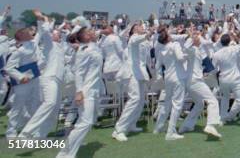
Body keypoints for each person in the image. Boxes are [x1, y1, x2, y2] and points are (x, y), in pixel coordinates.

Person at [56, 27, 103, 158]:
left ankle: (70, 148)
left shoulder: (94, 47)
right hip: (86, 91)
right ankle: (64, 154)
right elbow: (79, 73)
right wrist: (79, 92)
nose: (94, 32)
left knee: (87, 122)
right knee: (85, 122)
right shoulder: (83, 51)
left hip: (94, 90)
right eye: (90, 32)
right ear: (86, 37)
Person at [20, 11, 65, 138]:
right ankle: (26, 133)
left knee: (54, 111)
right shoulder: (49, 44)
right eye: (56, 33)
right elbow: (44, 32)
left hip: (58, 80)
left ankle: (40, 136)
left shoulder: (61, 46)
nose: (59, 35)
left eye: (59, 34)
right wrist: (42, 19)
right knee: (49, 103)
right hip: (49, 78)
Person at [112, 22, 151, 142]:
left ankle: (132, 124)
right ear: (133, 30)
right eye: (138, 26)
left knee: (140, 100)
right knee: (134, 99)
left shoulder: (144, 41)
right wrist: (147, 34)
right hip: (132, 72)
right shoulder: (134, 38)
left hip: (140, 73)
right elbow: (137, 40)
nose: (141, 26)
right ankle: (119, 129)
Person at [4, 27, 41, 138]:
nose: (31, 33)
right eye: (28, 32)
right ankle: (11, 132)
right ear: (23, 36)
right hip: (23, 83)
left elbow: (39, 34)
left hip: (34, 79)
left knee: (34, 105)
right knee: (18, 106)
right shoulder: (19, 50)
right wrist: (20, 77)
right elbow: (9, 68)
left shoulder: (32, 43)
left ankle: (31, 130)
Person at [153, 28, 188, 140]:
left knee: (167, 103)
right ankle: (170, 132)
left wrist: (159, 76)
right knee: (177, 104)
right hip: (178, 77)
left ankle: (158, 127)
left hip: (168, 78)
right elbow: (180, 58)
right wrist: (187, 54)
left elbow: (157, 66)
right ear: (168, 38)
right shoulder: (175, 45)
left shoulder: (161, 50)